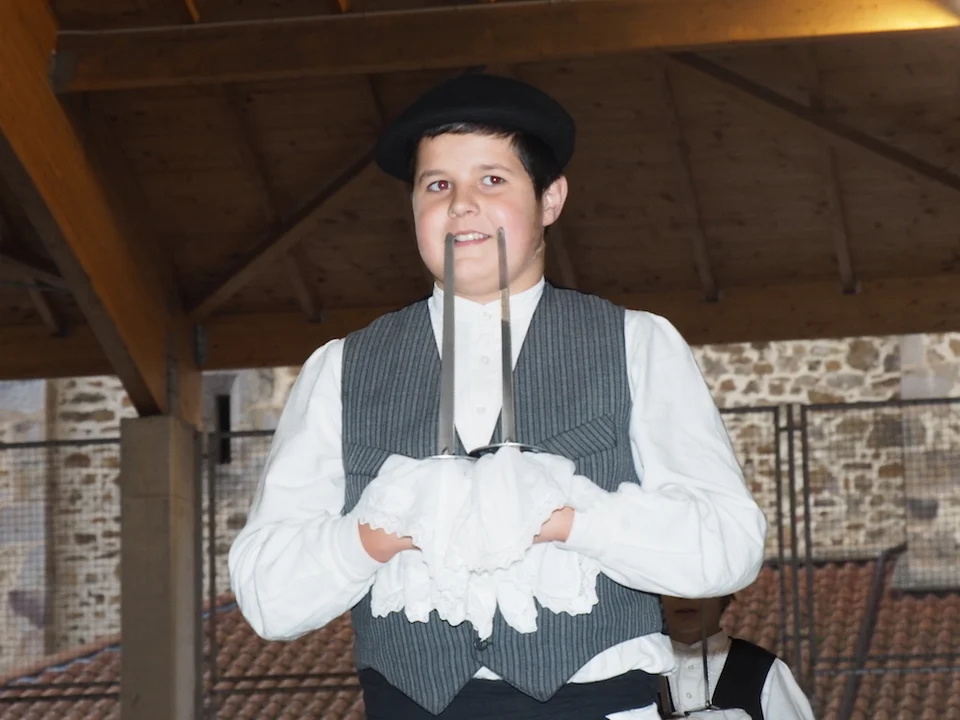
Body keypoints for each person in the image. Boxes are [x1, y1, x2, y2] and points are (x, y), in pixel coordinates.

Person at [228, 73, 767, 719]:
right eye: (437, 185)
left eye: (491, 179)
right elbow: (267, 598)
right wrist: (377, 532)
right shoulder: (340, 368)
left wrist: (566, 517)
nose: (461, 205)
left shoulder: (636, 343)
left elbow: (728, 547)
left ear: (550, 198)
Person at [659, 595, 816, 720]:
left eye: (697, 584)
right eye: (673, 587)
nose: (685, 597)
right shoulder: (644, 671)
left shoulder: (763, 669)